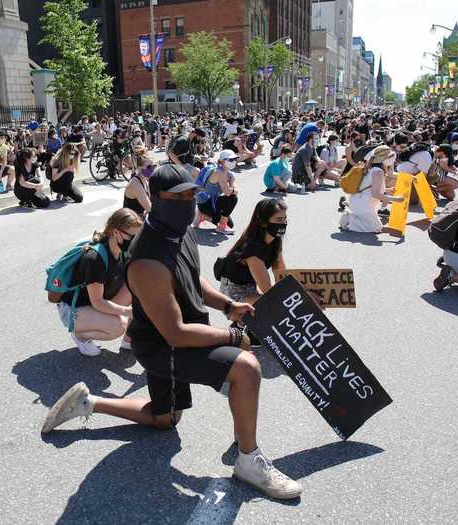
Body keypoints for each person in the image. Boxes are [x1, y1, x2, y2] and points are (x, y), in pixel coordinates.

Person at [41, 164, 302, 500]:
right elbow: (176, 333)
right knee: (246, 368)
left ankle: (88, 402)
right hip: (163, 346)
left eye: (194, 193)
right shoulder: (147, 259)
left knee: (165, 419)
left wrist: (227, 306)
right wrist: (235, 336)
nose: (191, 201)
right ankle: (249, 460)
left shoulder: (179, 230)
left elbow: (193, 277)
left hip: (178, 334)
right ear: (157, 200)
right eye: (180, 196)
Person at [54, 208, 142, 357]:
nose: (135, 241)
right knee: (118, 326)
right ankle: (81, 335)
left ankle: (128, 339)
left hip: (98, 301)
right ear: (115, 232)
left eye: (138, 237)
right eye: (132, 237)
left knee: (139, 289)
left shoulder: (123, 251)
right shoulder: (95, 258)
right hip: (74, 309)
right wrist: (128, 312)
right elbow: (98, 302)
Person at [217, 198, 287, 305]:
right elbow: (267, 289)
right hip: (233, 294)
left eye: (285, 219)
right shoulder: (253, 250)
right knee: (273, 304)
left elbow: (282, 275)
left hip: (250, 287)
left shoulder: (275, 241)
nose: (284, 223)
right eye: (279, 219)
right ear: (264, 223)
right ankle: (241, 320)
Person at [339, 145, 404, 233]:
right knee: (376, 228)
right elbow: (375, 194)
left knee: (376, 226)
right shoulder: (378, 171)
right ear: (384, 158)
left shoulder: (371, 168)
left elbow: (370, 188)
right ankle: (349, 219)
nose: (393, 160)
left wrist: (387, 190)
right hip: (363, 204)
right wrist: (395, 199)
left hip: (358, 201)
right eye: (391, 156)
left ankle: (352, 215)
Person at [194, 150, 239, 234]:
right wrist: (233, 188)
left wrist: (233, 186)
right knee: (233, 198)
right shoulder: (219, 173)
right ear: (222, 161)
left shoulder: (228, 173)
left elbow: (233, 188)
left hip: (212, 202)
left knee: (230, 224)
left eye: (234, 159)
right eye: (230, 160)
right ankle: (221, 227)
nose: (233, 162)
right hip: (206, 204)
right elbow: (228, 192)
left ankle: (203, 216)